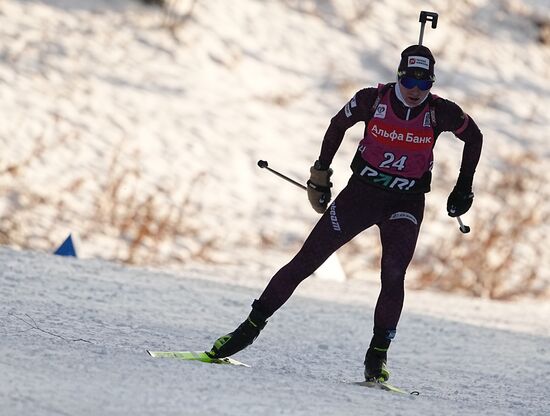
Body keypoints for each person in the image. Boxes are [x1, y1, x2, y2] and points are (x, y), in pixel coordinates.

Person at [206, 45, 483, 382]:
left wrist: (463, 187)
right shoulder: (372, 100)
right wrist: (320, 174)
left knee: (393, 275)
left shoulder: (441, 112)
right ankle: (247, 330)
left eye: (424, 84)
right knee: (306, 261)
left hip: (405, 203)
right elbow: (338, 125)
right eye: (409, 79)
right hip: (360, 196)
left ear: (432, 84)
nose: (415, 90)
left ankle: (377, 356)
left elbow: (475, 137)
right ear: (398, 76)